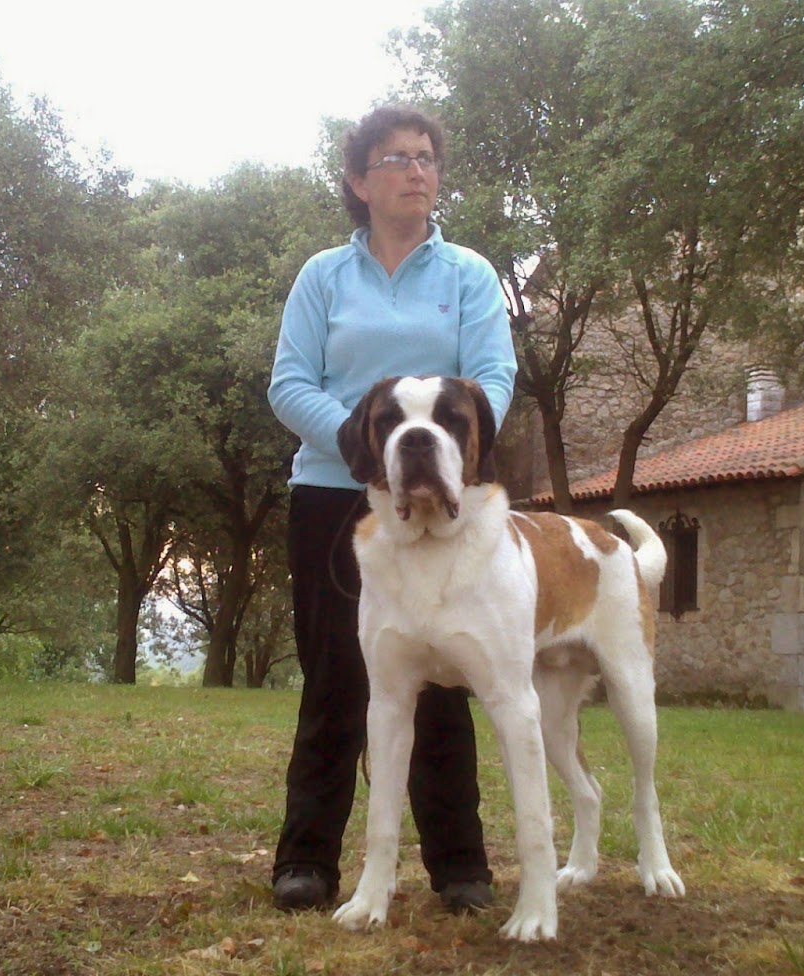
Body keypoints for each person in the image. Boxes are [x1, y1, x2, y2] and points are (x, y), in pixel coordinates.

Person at [266, 105, 518, 913]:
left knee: (446, 678)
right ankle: (306, 862)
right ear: (358, 181)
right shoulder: (322, 277)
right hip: (335, 498)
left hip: (443, 511)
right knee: (336, 680)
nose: (417, 171)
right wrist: (360, 448)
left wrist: (450, 457)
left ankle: (460, 867)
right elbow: (289, 383)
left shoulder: (470, 276)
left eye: (427, 157)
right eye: (396, 158)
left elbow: (493, 380)